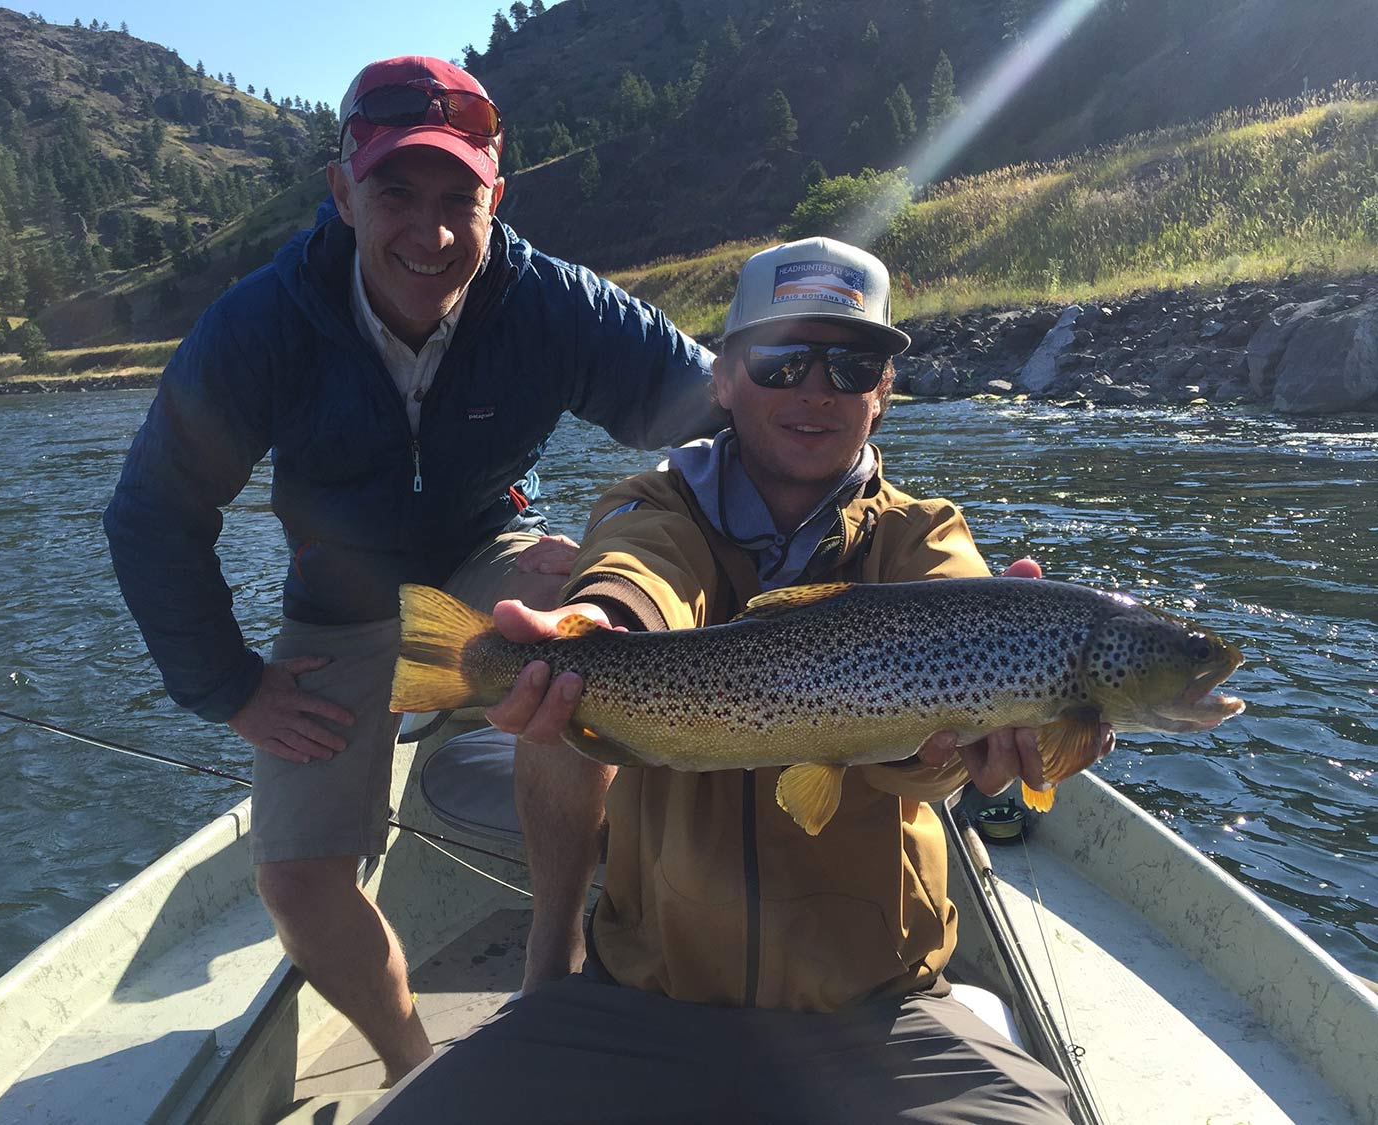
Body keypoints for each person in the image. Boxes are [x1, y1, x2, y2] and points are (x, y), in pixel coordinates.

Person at [366, 238, 1114, 1122]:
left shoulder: (925, 536)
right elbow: (638, 573)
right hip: (644, 997)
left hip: (879, 1014)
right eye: (781, 358)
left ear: (883, 390)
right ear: (722, 377)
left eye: (852, 363)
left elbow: (941, 693)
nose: (815, 388)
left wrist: (965, 749)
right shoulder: (651, 503)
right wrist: (599, 627)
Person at [102, 55, 718, 1082]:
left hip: (489, 553)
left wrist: (844, 460)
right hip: (336, 606)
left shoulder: (553, 302)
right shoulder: (261, 323)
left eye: (456, 200)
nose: (428, 234)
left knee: (575, 641)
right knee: (298, 884)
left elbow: (716, 425)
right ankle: (409, 1067)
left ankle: (550, 969)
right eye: (395, 193)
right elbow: (154, 516)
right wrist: (233, 686)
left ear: (497, 201)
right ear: (342, 190)